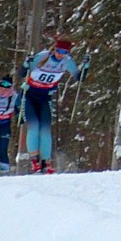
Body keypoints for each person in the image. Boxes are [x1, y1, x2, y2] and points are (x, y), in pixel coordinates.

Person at [20, 36, 83, 172]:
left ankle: (46, 162)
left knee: (45, 130)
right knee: (34, 127)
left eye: (65, 52)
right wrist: (26, 64)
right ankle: (34, 160)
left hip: (45, 98)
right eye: (59, 51)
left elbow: (79, 77)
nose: (61, 54)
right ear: (54, 49)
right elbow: (22, 73)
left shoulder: (67, 62)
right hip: (30, 96)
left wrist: (84, 68)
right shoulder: (42, 57)